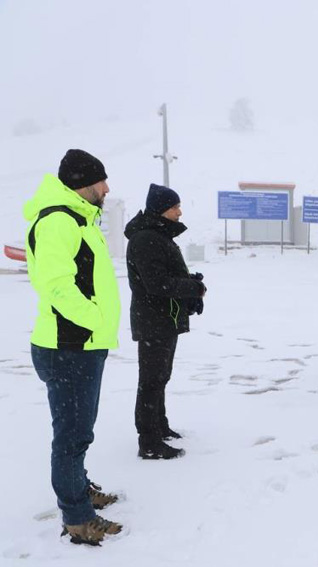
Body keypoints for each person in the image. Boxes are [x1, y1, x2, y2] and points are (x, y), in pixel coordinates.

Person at [24, 149, 123, 545]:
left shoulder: (78, 219)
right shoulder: (58, 222)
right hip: (68, 347)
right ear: (83, 183)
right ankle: (78, 519)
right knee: (71, 438)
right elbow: (57, 287)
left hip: (80, 346)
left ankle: (80, 490)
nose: (107, 188)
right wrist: (96, 319)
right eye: (101, 181)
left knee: (79, 431)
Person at [125, 184, 206, 460]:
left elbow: (165, 275)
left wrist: (189, 283)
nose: (179, 212)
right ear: (161, 210)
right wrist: (192, 288)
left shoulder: (158, 235)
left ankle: (159, 426)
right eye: (175, 207)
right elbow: (157, 284)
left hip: (163, 319)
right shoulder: (146, 239)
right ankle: (149, 442)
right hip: (153, 320)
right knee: (151, 381)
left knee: (160, 377)